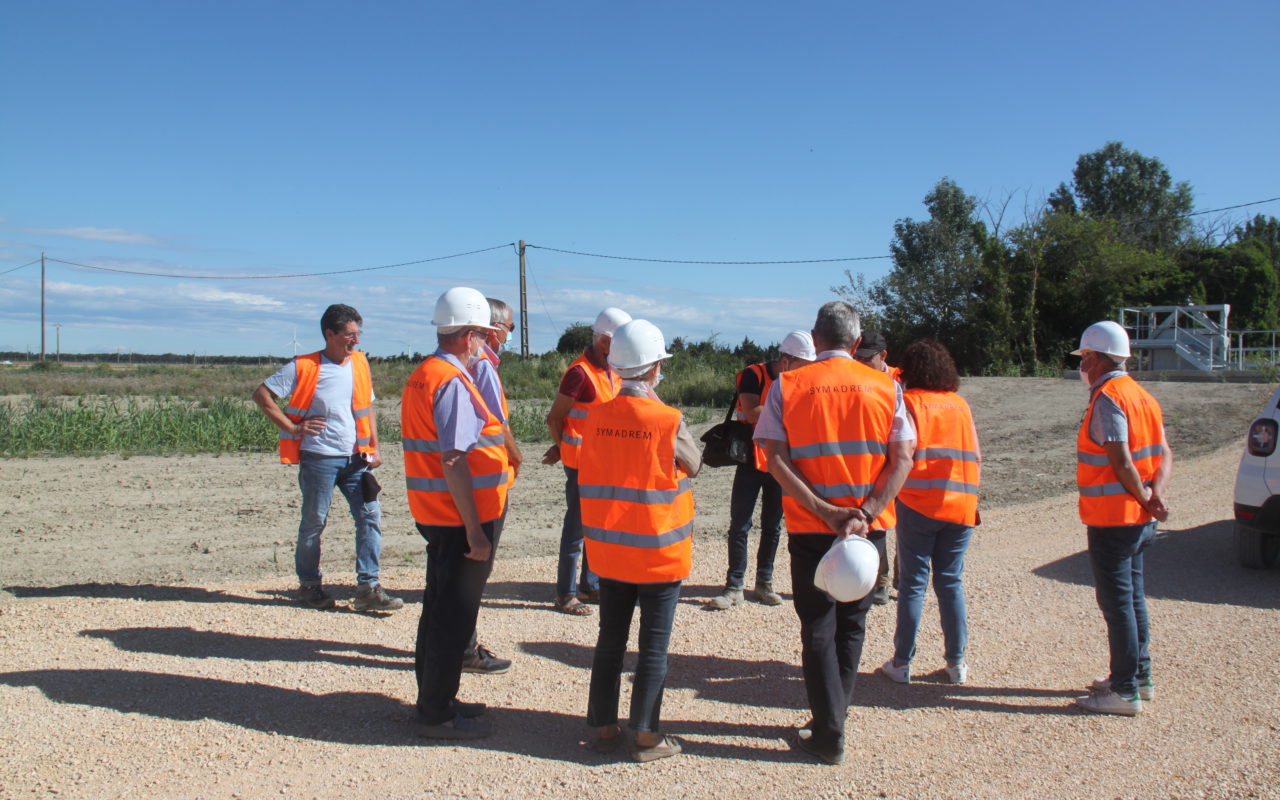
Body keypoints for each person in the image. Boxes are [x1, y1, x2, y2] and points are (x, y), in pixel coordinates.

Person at [754, 301, 915, 765]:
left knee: (817, 627)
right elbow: (902, 458)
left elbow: (774, 457)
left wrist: (825, 511)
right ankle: (832, 721)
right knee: (852, 624)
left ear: (815, 338)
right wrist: (866, 511)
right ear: (858, 343)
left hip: (811, 526)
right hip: (869, 530)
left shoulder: (788, 384)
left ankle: (829, 730)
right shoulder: (887, 386)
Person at [579, 319, 701, 762]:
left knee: (609, 639)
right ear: (653, 370)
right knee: (653, 643)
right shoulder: (668, 419)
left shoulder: (595, 417)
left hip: (610, 552)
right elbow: (693, 462)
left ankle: (605, 725)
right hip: (658, 552)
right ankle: (647, 735)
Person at [403, 287, 511, 739]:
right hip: (457, 518)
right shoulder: (451, 380)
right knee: (454, 615)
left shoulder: (425, 373)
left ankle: (436, 696)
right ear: (469, 335)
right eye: (484, 336)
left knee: (438, 607)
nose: (487, 344)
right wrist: (475, 531)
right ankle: (437, 714)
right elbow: (453, 458)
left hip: (435, 511)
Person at [251, 303, 403, 613]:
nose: (355, 341)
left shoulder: (359, 363)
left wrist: (374, 446)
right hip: (319, 459)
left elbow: (367, 407)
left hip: (356, 460)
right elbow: (262, 395)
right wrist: (294, 427)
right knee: (314, 523)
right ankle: (309, 585)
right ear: (329, 334)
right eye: (349, 335)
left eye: (357, 334)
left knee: (370, 517)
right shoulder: (303, 366)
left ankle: (368, 586)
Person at [1071, 320, 1172, 717]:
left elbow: (1121, 459)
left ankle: (1124, 691)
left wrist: (1143, 497)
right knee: (1133, 599)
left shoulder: (1109, 398)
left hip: (1114, 518)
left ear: (1095, 358)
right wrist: (1155, 497)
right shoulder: (1143, 396)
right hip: (1140, 519)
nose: (1082, 366)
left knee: (1117, 605)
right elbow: (1164, 452)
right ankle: (1138, 678)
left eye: (1084, 358)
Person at [878, 339, 981, 686]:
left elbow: (902, 454)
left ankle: (902, 662)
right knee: (951, 583)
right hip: (962, 505)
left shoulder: (910, 403)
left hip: (920, 504)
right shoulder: (960, 405)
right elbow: (976, 455)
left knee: (913, 585)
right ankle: (957, 665)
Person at [707, 330, 815, 610]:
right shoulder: (753, 374)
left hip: (781, 459)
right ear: (786, 360)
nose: (807, 372)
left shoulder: (800, 379)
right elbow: (751, 411)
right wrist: (792, 407)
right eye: (805, 365)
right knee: (740, 524)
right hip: (750, 458)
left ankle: (764, 583)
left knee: (773, 525)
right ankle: (734, 586)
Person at [542, 307, 633, 615]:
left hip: (605, 463)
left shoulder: (613, 369)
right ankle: (565, 594)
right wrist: (561, 448)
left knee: (598, 527)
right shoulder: (579, 372)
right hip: (582, 464)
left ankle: (589, 585)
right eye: (614, 341)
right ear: (602, 339)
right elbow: (555, 418)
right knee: (576, 531)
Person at [451, 296, 524, 675]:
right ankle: (465, 648)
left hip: (480, 478)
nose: (509, 336)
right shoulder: (482, 369)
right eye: (509, 329)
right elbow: (499, 424)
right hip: (484, 482)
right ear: (492, 329)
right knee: (475, 570)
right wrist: (516, 456)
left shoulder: (479, 366)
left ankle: (462, 644)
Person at [854, 330, 900, 606]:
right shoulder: (859, 377)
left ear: (883, 355)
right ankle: (880, 581)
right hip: (874, 461)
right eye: (856, 356)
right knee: (877, 522)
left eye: (865, 358)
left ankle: (902, 580)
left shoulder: (899, 379)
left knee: (905, 528)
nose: (860, 362)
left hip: (901, 461)